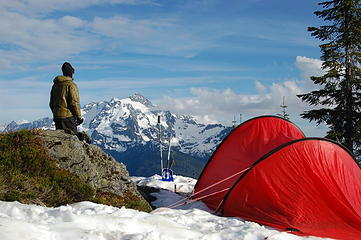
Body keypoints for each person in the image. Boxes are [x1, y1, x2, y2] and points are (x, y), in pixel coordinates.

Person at [49, 62, 84, 135]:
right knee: (72, 139)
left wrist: (56, 113)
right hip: (68, 117)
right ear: (71, 72)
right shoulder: (71, 85)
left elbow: (51, 103)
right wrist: (78, 117)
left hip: (57, 117)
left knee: (61, 139)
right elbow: (74, 102)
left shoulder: (55, 85)